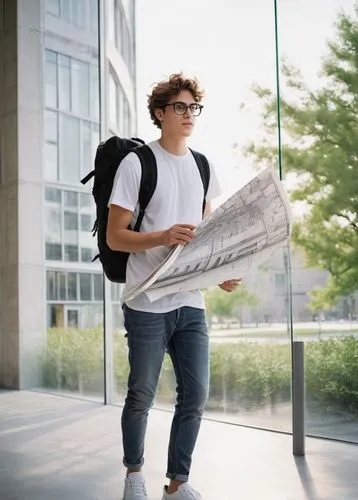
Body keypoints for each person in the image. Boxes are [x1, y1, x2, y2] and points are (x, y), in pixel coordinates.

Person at [107, 73, 240, 500]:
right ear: (160, 113)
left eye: (193, 108)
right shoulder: (137, 164)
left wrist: (220, 274)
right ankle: (134, 475)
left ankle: (177, 483)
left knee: (196, 395)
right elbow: (115, 237)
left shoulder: (203, 166)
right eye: (179, 108)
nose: (188, 115)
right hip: (146, 300)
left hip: (190, 301)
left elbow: (205, 234)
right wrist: (162, 236)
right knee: (141, 394)